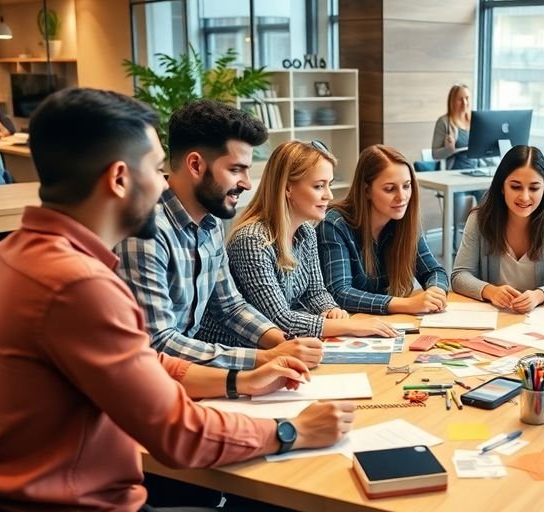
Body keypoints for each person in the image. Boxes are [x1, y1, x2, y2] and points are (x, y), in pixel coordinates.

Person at [0, 87, 356, 511]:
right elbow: (179, 435)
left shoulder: (10, 256)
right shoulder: (77, 284)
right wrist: (292, 431)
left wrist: (243, 375)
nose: (164, 183)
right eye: (157, 168)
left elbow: (143, 359)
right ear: (120, 178)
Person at [116, 99, 322, 370]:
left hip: (192, 375)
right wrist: (263, 358)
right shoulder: (146, 231)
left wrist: (284, 344)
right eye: (236, 169)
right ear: (196, 165)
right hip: (153, 381)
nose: (247, 184)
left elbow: (231, 306)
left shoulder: (211, 222)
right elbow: (159, 343)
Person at [199, 140, 399, 341]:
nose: (329, 195)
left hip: (279, 347)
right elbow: (279, 319)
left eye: (329, 185)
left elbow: (316, 292)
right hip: (237, 351)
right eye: (319, 186)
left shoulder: (307, 231)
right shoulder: (252, 240)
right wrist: (351, 326)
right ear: (287, 188)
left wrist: (330, 310)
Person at [318, 144, 450, 314]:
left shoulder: (404, 221)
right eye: (389, 189)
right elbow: (340, 292)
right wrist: (407, 305)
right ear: (366, 191)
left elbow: (434, 271)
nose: (402, 197)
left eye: (406, 186)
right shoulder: (334, 224)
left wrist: (435, 291)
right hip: (350, 324)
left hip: (388, 325)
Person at [451, 145, 544, 313]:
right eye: (515, 187)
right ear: (502, 187)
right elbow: (459, 276)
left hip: (538, 317)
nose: (524, 196)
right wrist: (490, 291)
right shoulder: (480, 218)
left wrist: (539, 296)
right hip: (492, 314)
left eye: (534, 188)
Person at [431, 84, 477, 170]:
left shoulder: (476, 120)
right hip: (454, 173)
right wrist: (449, 149)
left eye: (467, 98)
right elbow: (435, 154)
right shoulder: (444, 122)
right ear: (452, 102)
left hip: (476, 170)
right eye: (460, 99)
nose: (464, 102)